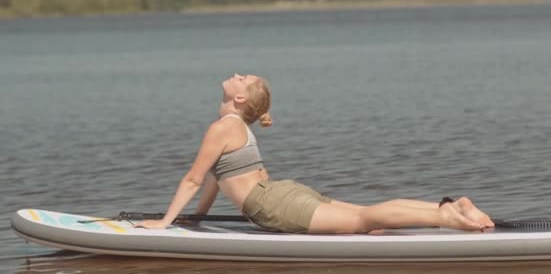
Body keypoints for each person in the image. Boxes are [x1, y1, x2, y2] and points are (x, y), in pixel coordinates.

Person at [135, 73, 494, 234]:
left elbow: (193, 178)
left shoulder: (222, 127)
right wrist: (196, 219)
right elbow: (214, 181)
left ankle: (450, 219)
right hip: (282, 192)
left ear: (240, 98)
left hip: (273, 203)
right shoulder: (236, 127)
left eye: (242, 78)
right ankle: (445, 208)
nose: (235, 75)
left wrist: (165, 222)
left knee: (364, 221)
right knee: (364, 217)